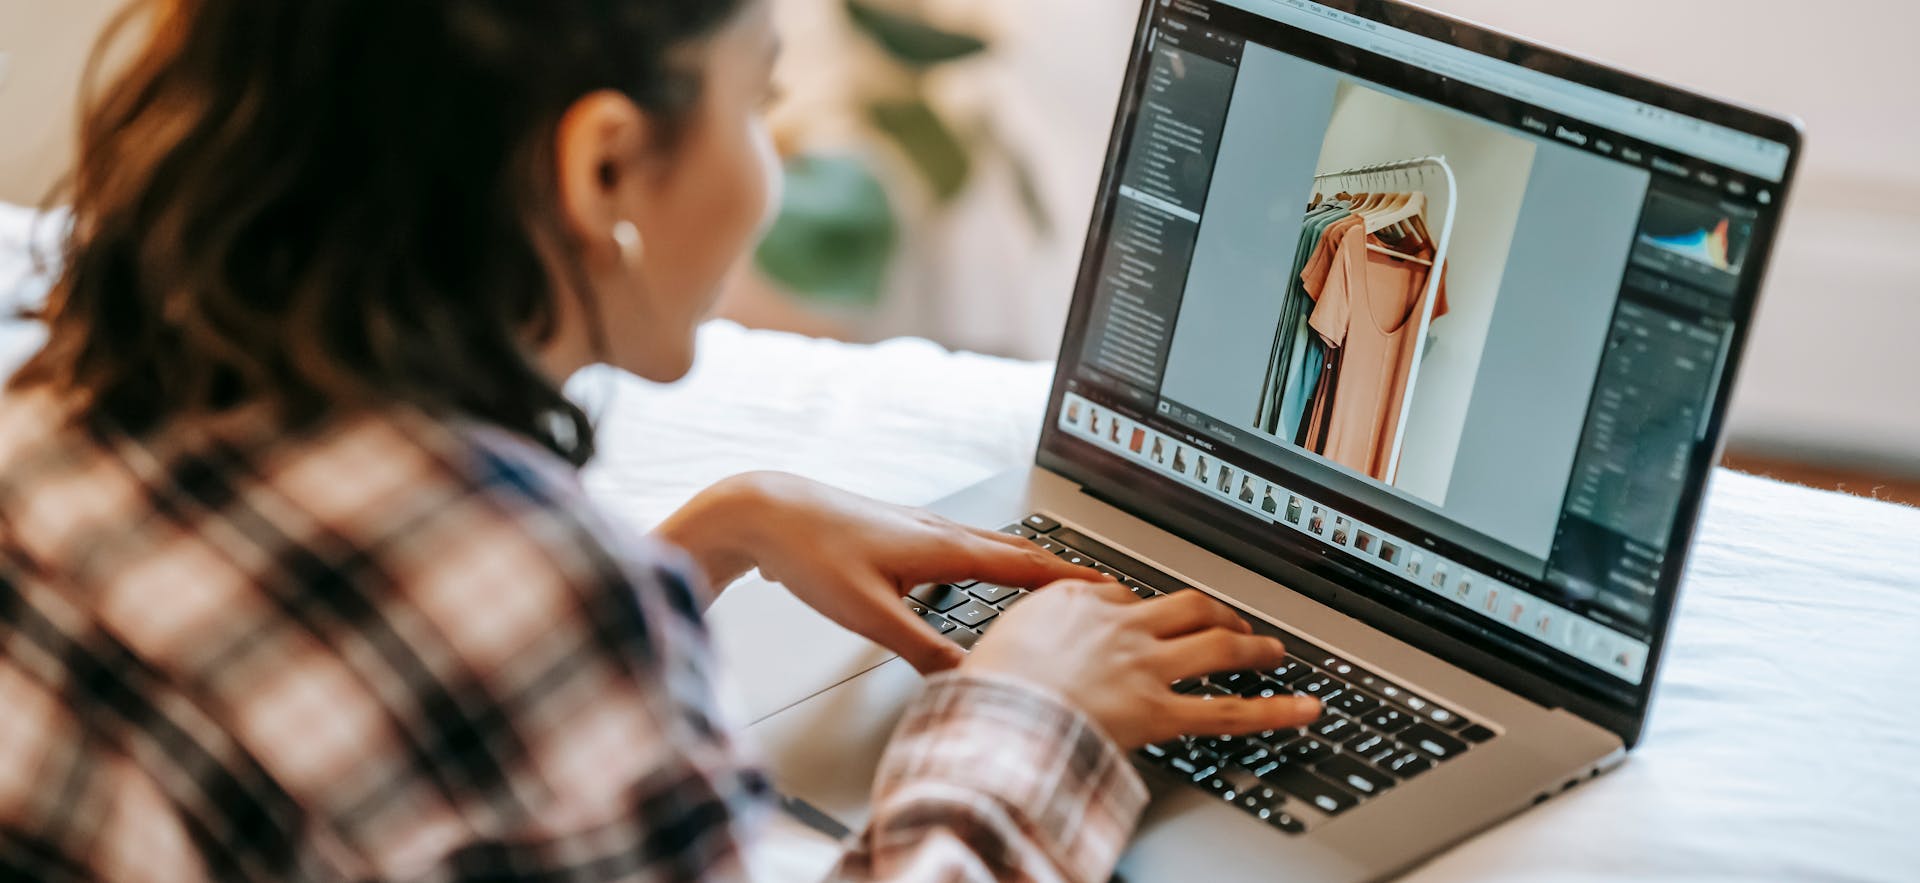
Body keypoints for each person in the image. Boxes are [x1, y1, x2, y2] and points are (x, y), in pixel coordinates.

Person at [0, 1, 1322, 880]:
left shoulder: (72, 387)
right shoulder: (519, 595)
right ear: (604, 172)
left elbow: (357, 701)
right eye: (759, 102)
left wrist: (708, 536)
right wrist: (1024, 719)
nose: (769, 170)